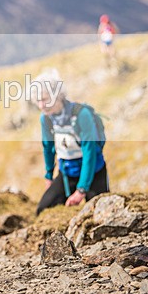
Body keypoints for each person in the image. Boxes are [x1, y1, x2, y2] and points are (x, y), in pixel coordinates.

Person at [33, 70, 109, 215]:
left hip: (94, 171)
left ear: (58, 96)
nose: (41, 105)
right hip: (67, 173)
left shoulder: (82, 115)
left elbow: (89, 153)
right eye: (38, 101)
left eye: (45, 99)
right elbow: (48, 147)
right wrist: (49, 176)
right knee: (43, 210)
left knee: (99, 213)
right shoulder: (46, 119)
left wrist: (81, 190)